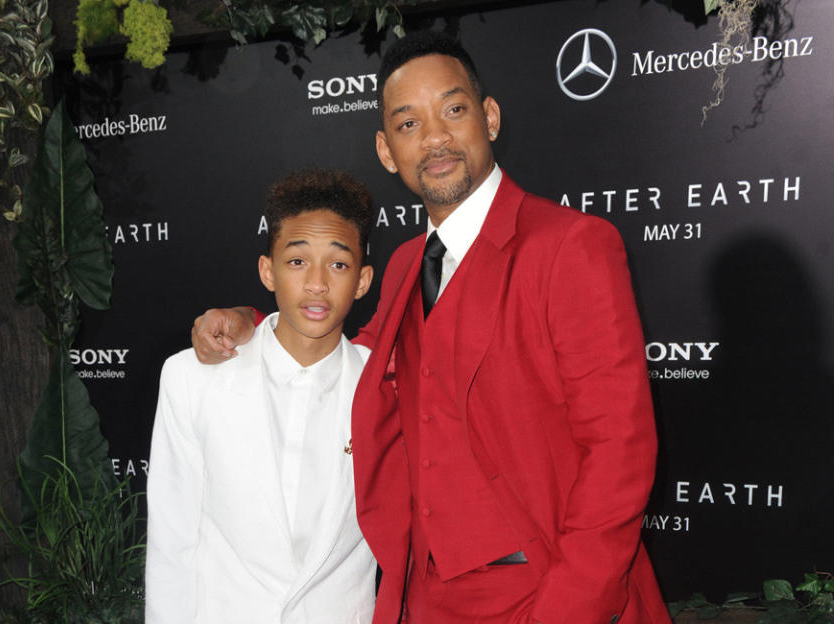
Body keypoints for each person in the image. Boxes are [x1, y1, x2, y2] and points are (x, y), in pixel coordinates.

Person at [191, 32, 670, 624]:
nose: (436, 137)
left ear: (489, 117)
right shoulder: (403, 264)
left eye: (453, 109)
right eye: (409, 123)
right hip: (426, 595)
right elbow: (349, 359)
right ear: (387, 151)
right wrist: (250, 321)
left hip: (544, 592)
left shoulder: (571, 245)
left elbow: (620, 449)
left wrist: (570, 608)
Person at [146, 169, 379, 624]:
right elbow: (173, 544)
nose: (316, 283)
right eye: (297, 262)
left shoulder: (385, 389)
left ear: (363, 280)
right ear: (267, 271)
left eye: (337, 264)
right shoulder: (190, 379)